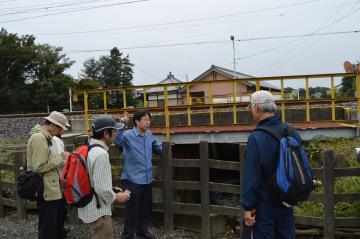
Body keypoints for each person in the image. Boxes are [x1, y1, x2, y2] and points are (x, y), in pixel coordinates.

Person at [241, 90, 302, 239]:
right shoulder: (290, 131)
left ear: (256, 108)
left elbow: (251, 176)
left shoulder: (256, 137)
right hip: (286, 199)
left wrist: (248, 207)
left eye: (251, 108)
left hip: (264, 205)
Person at [78, 115, 130, 239]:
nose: (116, 134)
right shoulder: (101, 154)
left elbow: (93, 180)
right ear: (106, 133)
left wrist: (110, 188)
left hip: (87, 206)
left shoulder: (88, 148)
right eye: (114, 131)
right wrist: (116, 196)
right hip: (98, 211)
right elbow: (101, 189)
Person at [114, 110, 162, 239]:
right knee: (132, 210)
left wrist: (167, 150)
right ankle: (128, 235)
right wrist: (121, 125)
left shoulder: (149, 134)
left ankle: (142, 230)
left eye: (149, 120)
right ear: (136, 121)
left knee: (146, 208)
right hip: (132, 179)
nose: (148, 122)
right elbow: (117, 141)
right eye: (145, 119)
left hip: (147, 178)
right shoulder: (128, 135)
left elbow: (158, 147)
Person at [26, 111, 70, 239]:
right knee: (48, 227)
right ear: (53, 125)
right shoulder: (39, 138)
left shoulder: (43, 137)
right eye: (61, 128)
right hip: (47, 190)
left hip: (50, 188)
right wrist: (61, 158)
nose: (61, 132)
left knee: (53, 224)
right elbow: (39, 166)